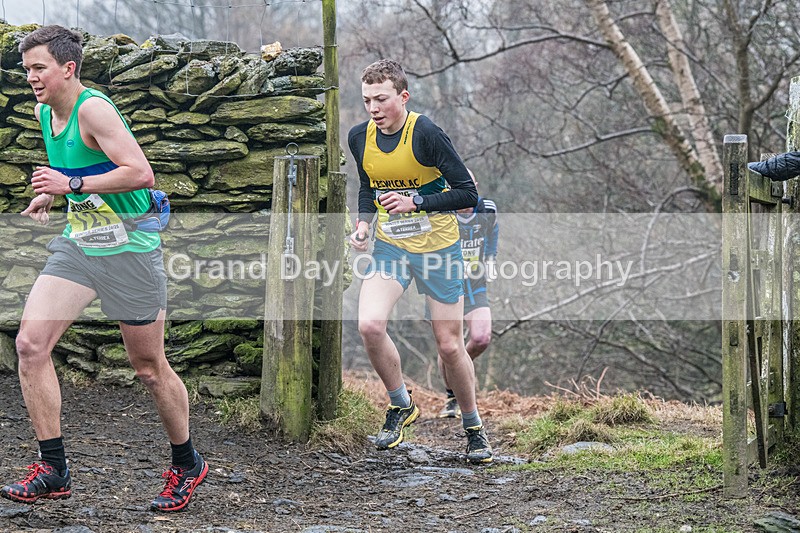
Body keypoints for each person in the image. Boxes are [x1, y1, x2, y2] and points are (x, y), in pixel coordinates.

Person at [0, 25, 207, 512]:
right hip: (81, 246)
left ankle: (187, 462)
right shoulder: (43, 112)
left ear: (68, 68)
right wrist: (50, 193)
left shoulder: (93, 108)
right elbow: (84, 174)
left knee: (149, 369)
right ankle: (53, 469)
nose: (30, 77)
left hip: (130, 250)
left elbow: (139, 172)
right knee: (30, 345)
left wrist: (67, 184)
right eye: (26, 68)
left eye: (38, 68)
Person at [348, 59, 493, 464]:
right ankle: (401, 404)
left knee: (449, 346)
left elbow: (468, 195)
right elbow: (368, 186)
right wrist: (363, 224)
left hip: (438, 249)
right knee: (369, 325)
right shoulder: (359, 137)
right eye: (366, 100)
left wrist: (417, 201)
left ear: (403, 97)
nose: (373, 108)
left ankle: (473, 427)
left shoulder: (426, 133)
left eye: (381, 99)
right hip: (391, 248)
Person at [435, 170, 499, 419]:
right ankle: (452, 397)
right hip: (445, 286)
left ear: (475, 185)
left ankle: (458, 367)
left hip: (476, 285)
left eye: (467, 186)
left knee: (481, 338)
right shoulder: (443, 213)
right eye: (454, 188)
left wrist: (491, 259)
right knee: (449, 346)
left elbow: (493, 233)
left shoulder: (487, 209)